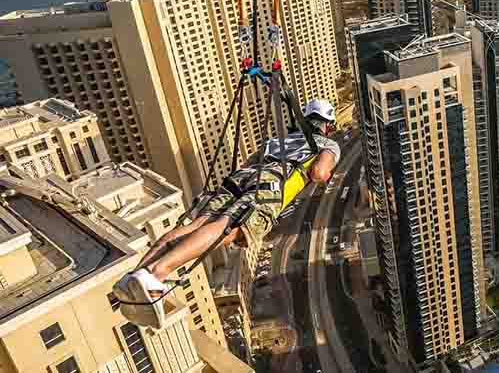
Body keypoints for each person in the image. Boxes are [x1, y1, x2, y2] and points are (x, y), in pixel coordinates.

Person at [113, 97, 341, 328]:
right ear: (328, 125)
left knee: (195, 226)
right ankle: (157, 274)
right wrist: (327, 174)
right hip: (271, 184)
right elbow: (319, 172)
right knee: (228, 229)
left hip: (239, 180)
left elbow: (248, 164)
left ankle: (135, 275)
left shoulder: (277, 141)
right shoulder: (329, 145)